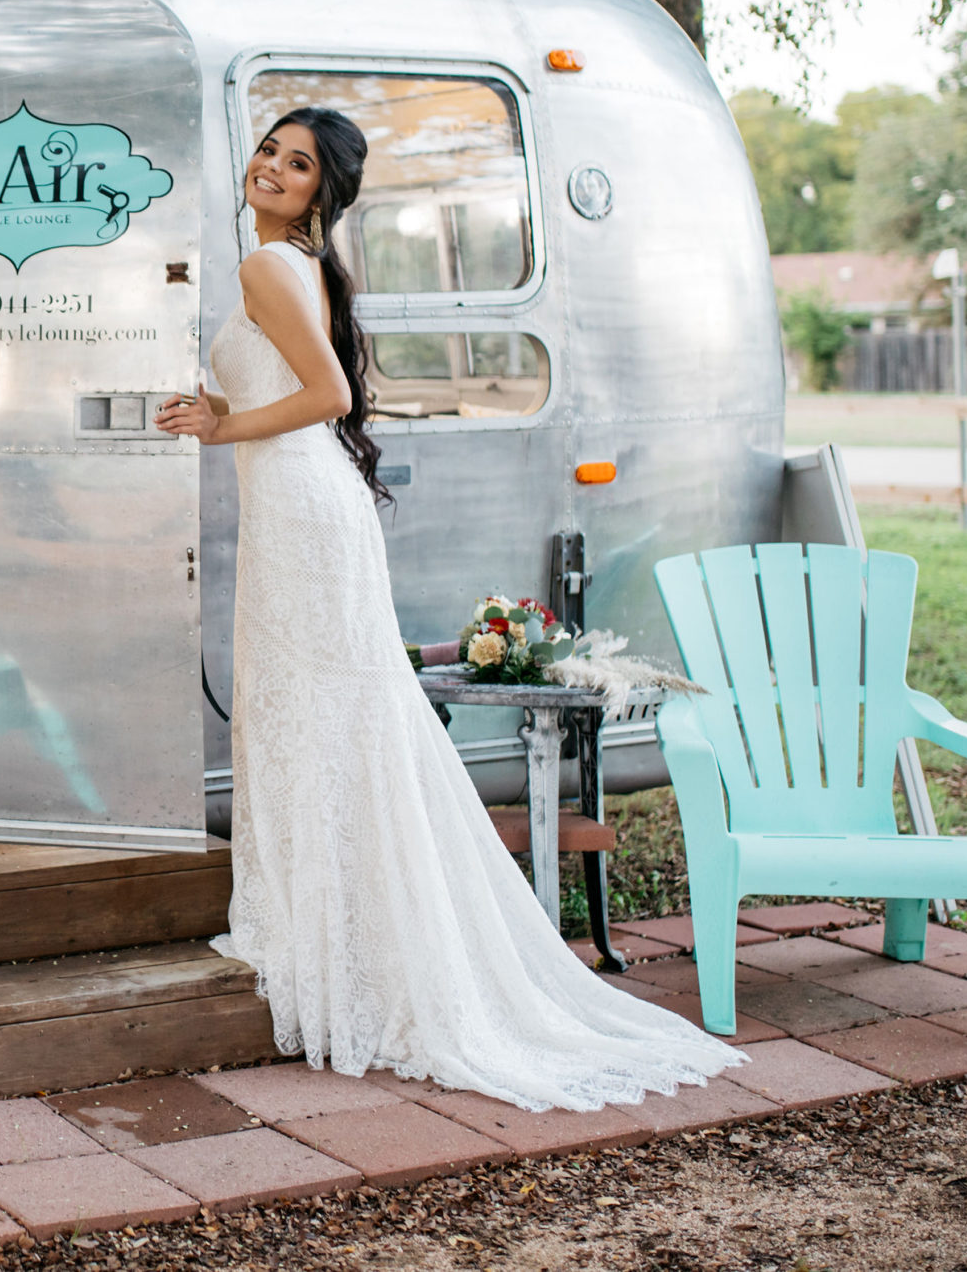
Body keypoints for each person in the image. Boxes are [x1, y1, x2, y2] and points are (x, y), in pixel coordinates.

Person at [153, 106, 741, 1112]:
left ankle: (321, 935)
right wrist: (223, 414)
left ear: (323, 193)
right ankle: (325, 925)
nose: (273, 168)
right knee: (319, 714)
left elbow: (328, 395)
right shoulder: (296, 266)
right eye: (269, 150)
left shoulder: (268, 267)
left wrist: (220, 429)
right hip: (302, 503)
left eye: (298, 164)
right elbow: (301, 388)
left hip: (302, 505)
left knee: (312, 712)